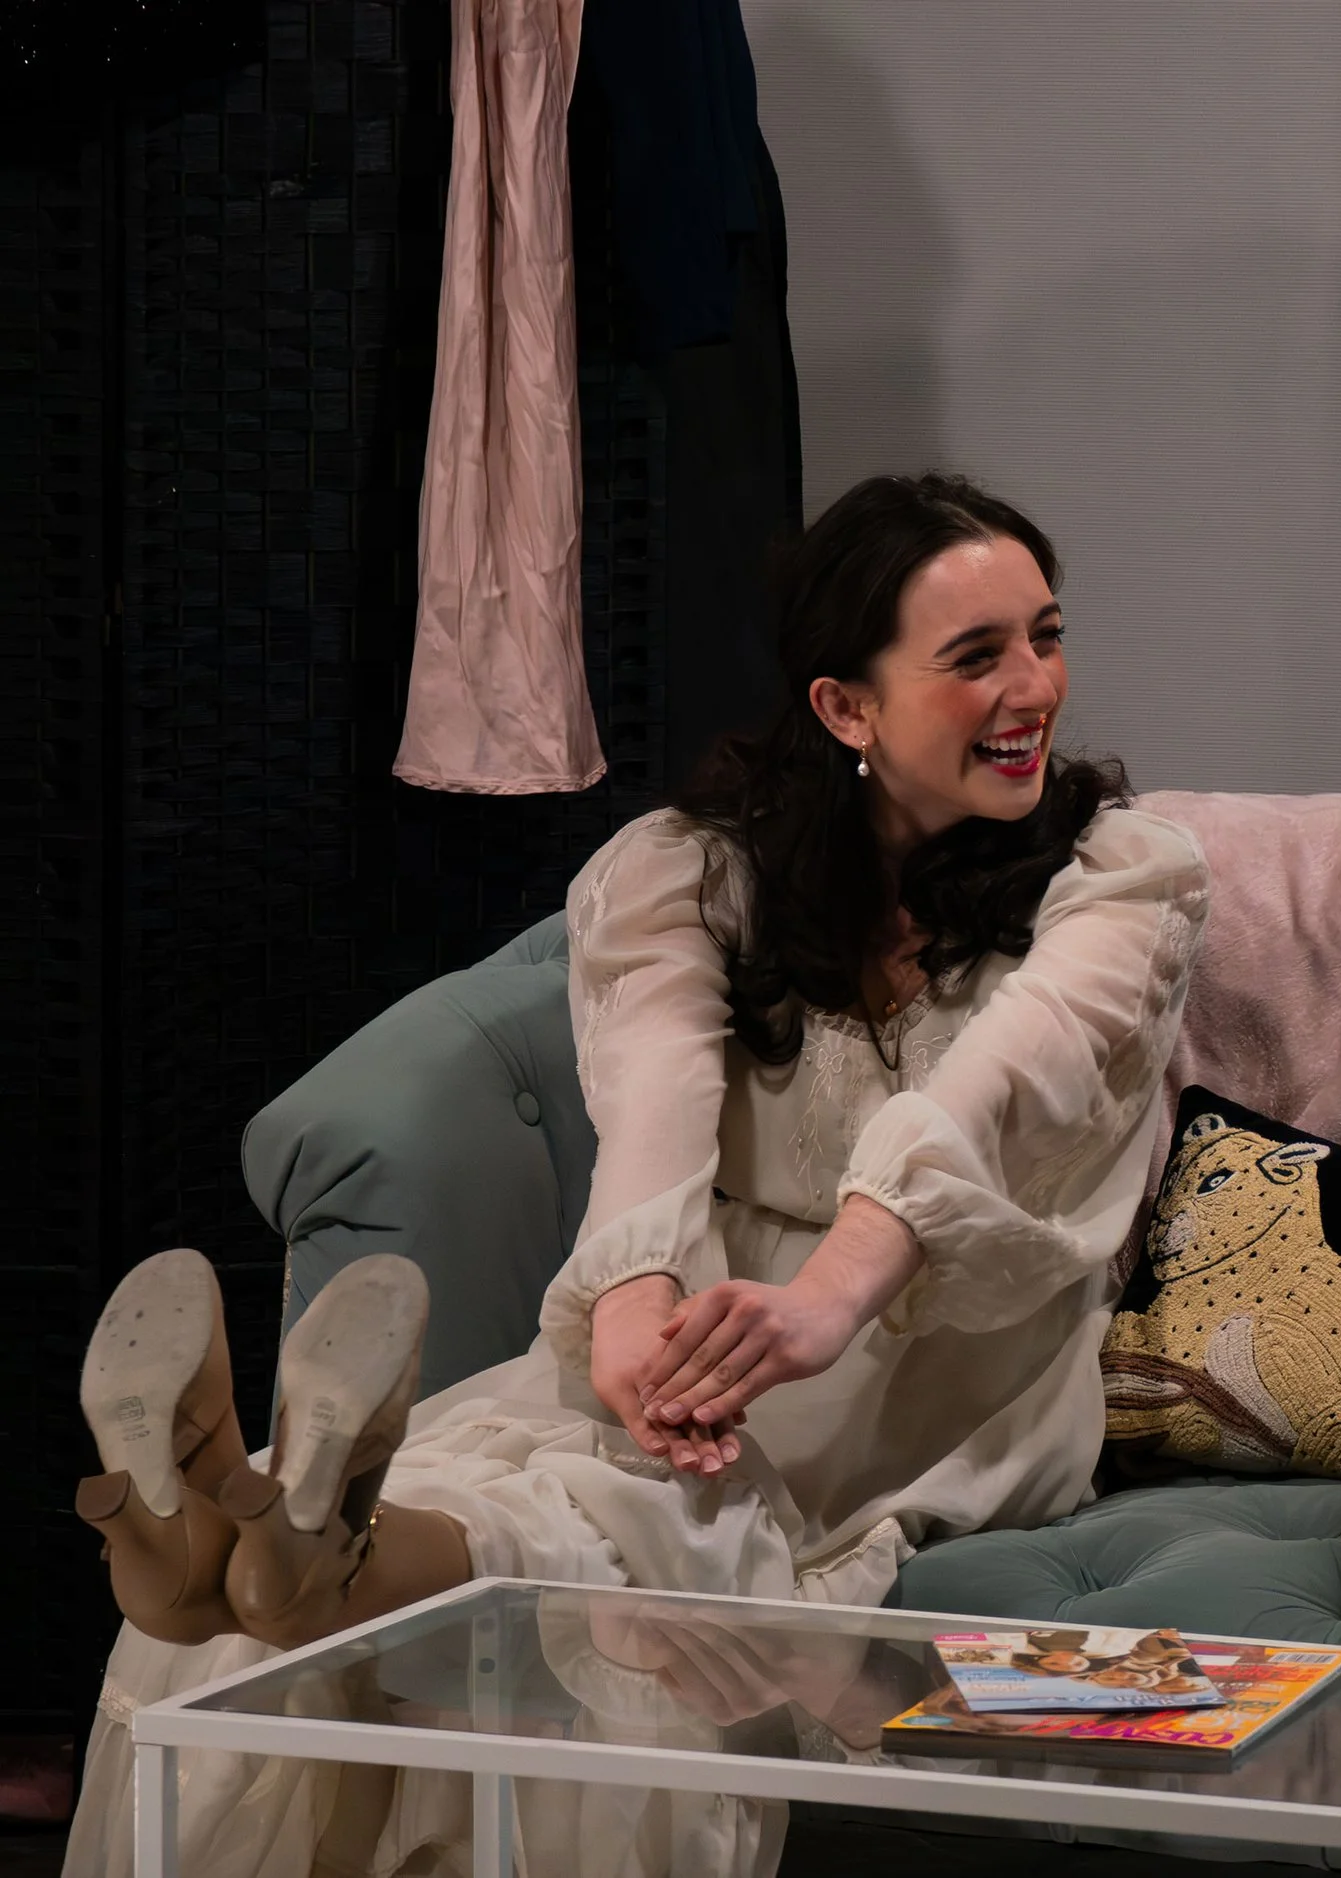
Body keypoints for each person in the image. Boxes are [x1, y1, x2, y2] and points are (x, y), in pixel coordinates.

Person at [66, 472, 1211, 1877]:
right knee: (558, 1475)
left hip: (942, 1367)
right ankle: (253, 1550)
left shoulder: (1127, 878)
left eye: (1045, 634)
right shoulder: (691, 870)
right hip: (709, 1321)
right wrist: (625, 1308)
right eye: (976, 656)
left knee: (653, 1517)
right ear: (846, 707)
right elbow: (654, 1099)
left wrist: (828, 1300)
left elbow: (991, 1092)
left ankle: (240, 1550)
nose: (1033, 684)